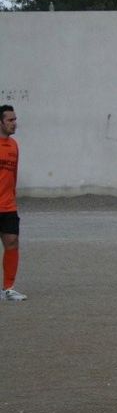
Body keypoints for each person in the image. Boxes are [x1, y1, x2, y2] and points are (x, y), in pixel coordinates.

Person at [0, 104, 26, 302]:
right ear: (0, 123)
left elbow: (13, 175)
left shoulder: (14, 146)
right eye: (10, 120)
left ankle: (8, 289)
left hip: (8, 204)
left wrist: (12, 197)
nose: (14, 123)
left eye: (15, 119)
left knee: (12, 242)